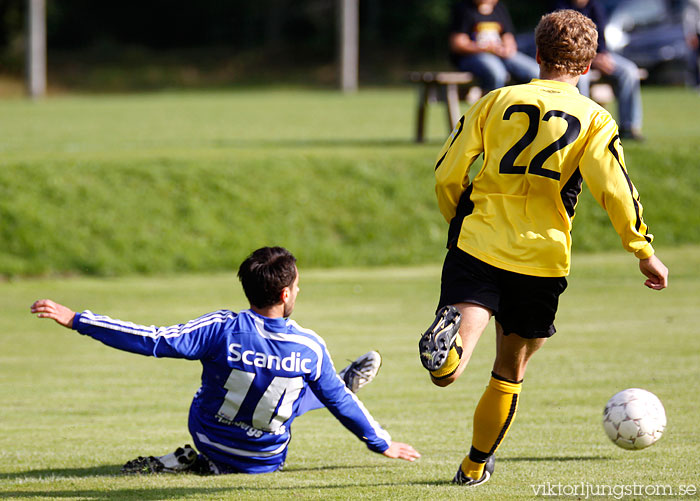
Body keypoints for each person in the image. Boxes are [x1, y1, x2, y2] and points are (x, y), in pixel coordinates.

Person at [418, 9, 668, 487]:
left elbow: (448, 171)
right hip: (541, 258)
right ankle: (473, 468)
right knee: (509, 372)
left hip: (479, 242)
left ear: (535, 54)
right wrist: (642, 250)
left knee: (450, 370)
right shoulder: (594, 119)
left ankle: (447, 354)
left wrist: (458, 219)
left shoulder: (495, 100)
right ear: (590, 62)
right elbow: (616, 189)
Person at [31, 246, 420, 474]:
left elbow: (152, 341)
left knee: (238, 389)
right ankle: (340, 379)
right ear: (285, 294)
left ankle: (205, 458)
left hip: (208, 436)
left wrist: (78, 320)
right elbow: (341, 406)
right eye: (297, 284)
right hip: (264, 461)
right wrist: (380, 443)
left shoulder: (221, 328)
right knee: (320, 391)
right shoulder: (309, 347)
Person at [554, 0, 645, 140]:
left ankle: (629, 127)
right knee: (580, 78)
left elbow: (600, 36)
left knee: (629, 71)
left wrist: (601, 55)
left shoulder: (594, 6)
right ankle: (581, 126)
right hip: (573, 58)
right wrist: (591, 57)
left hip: (597, 56)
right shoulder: (560, 6)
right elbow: (563, 40)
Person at [449, 0, 540, 92]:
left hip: (500, 55)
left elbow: (508, 37)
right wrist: (485, 48)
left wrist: (507, 49)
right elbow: (457, 44)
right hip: (472, 57)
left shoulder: (499, 8)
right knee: (497, 73)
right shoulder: (464, 9)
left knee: (535, 71)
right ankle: (492, 104)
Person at [683, 0, 700, 89]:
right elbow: (689, 18)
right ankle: (696, 83)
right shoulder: (692, 4)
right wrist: (690, 33)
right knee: (694, 60)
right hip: (696, 32)